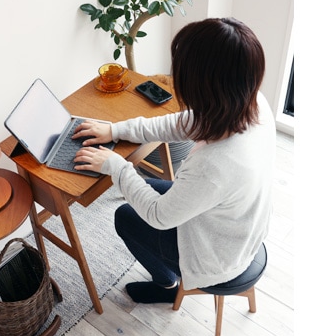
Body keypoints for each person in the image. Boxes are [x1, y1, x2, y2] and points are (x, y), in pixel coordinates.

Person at [72, 17, 275, 304]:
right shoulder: (252, 104)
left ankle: (166, 285)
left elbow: (159, 216)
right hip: (239, 226)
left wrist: (115, 166)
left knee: (126, 217)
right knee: (148, 188)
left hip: (219, 257)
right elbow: (182, 123)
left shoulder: (216, 165)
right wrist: (115, 130)